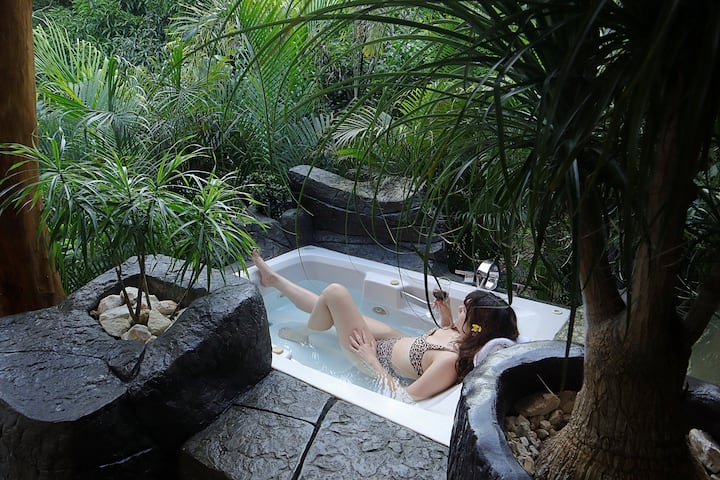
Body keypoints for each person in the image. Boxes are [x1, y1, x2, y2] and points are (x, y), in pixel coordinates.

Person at [252, 250, 519, 401]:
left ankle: (304, 333)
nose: (461, 308)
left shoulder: (449, 363)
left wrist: (371, 360)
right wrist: (446, 317)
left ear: (476, 328)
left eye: (465, 311)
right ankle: (274, 280)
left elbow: (404, 397)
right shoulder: (464, 335)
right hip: (393, 338)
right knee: (328, 304)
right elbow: (439, 340)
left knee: (335, 294)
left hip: (373, 356)